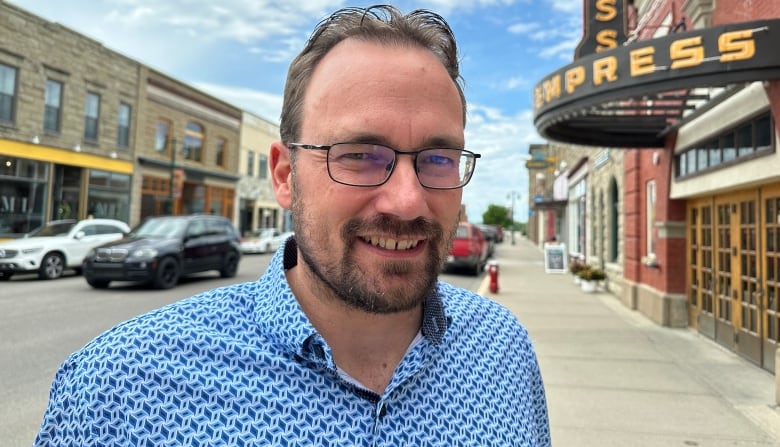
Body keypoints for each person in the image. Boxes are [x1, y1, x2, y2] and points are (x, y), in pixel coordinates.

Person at [34, 5, 550, 446]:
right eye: (360, 154)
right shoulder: (121, 391)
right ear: (285, 175)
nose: (408, 200)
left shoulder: (503, 351)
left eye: (438, 158)